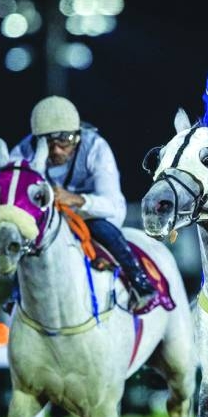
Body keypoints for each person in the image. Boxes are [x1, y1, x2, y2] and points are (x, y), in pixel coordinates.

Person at [10, 95, 157, 313]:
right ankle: (16, 294)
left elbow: (115, 206)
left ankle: (140, 282)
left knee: (102, 228)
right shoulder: (21, 153)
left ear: (77, 135)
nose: (57, 150)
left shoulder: (96, 147)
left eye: (64, 140)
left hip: (89, 215)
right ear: (36, 141)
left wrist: (77, 200)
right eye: (48, 143)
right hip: (45, 219)